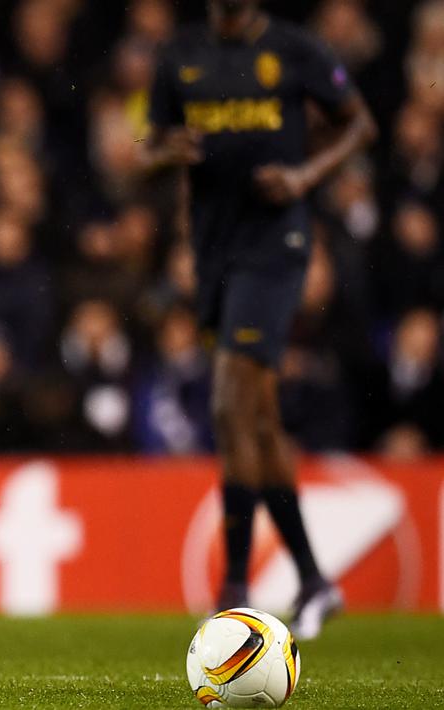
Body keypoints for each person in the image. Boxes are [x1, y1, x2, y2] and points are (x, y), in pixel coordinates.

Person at [142, 0, 376, 639]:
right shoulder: (180, 55)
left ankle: (235, 589)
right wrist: (169, 151)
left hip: (276, 248)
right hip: (214, 251)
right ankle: (314, 580)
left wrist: (305, 177)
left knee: (228, 403)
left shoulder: (294, 48)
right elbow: (147, 149)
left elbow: (360, 126)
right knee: (260, 419)